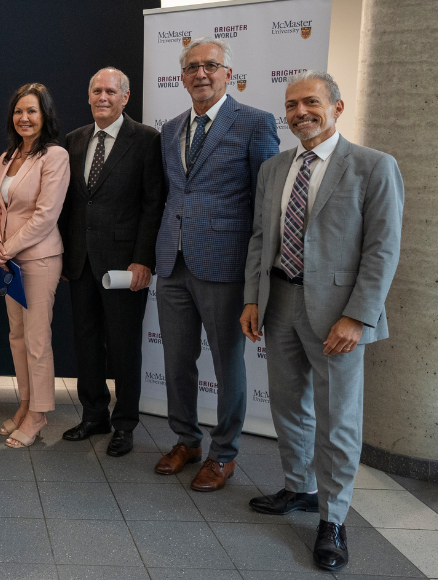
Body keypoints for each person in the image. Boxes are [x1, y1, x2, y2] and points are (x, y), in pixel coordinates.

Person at [241, 71, 403, 571]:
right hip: (280, 304)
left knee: (337, 422)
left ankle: (332, 519)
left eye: (310, 102)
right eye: (291, 105)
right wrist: (252, 298)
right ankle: (299, 487)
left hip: (338, 317)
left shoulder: (374, 167)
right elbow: (259, 239)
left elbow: (383, 249)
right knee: (289, 407)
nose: (299, 113)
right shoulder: (274, 168)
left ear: (337, 107)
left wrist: (358, 316)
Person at [154, 38, 279, 490]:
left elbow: (267, 206)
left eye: (210, 65)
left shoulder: (255, 124)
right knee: (175, 361)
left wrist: (257, 275)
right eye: (192, 67)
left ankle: (224, 453)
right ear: (182, 76)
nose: (201, 73)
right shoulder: (169, 130)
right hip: (173, 261)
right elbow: (174, 193)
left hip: (226, 266)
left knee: (229, 365)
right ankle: (187, 440)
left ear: (229, 73)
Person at [59, 68, 166, 456]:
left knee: (123, 346)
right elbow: (71, 204)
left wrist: (143, 261)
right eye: (97, 91)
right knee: (86, 341)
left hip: (124, 266)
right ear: (89, 97)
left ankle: (124, 424)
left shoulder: (147, 140)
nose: (103, 97)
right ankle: (93, 414)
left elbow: (154, 205)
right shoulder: (74, 140)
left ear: (126, 97)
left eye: (111, 91)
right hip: (81, 261)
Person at [0, 83, 70, 449]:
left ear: (44, 115)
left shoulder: (54, 156)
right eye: (19, 111)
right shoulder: (8, 157)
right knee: (16, 337)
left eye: (32, 111)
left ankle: (39, 414)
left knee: (37, 341)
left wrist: (7, 248)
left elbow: (45, 216)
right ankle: (25, 403)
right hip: (9, 263)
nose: (24, 117)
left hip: (38, 260)